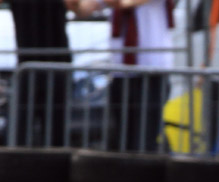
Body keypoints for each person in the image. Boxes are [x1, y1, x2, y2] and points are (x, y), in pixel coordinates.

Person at [75, 0, 176, 153]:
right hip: (121, 72)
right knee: (122, 141)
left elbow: (123, 3)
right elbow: (83, 9)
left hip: (153, 71)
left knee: (144, 140)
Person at [0, 0, 76, 146]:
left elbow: (78, 6)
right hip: (26, 68)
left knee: (56, 131)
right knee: (18, 131)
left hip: (57, 66)